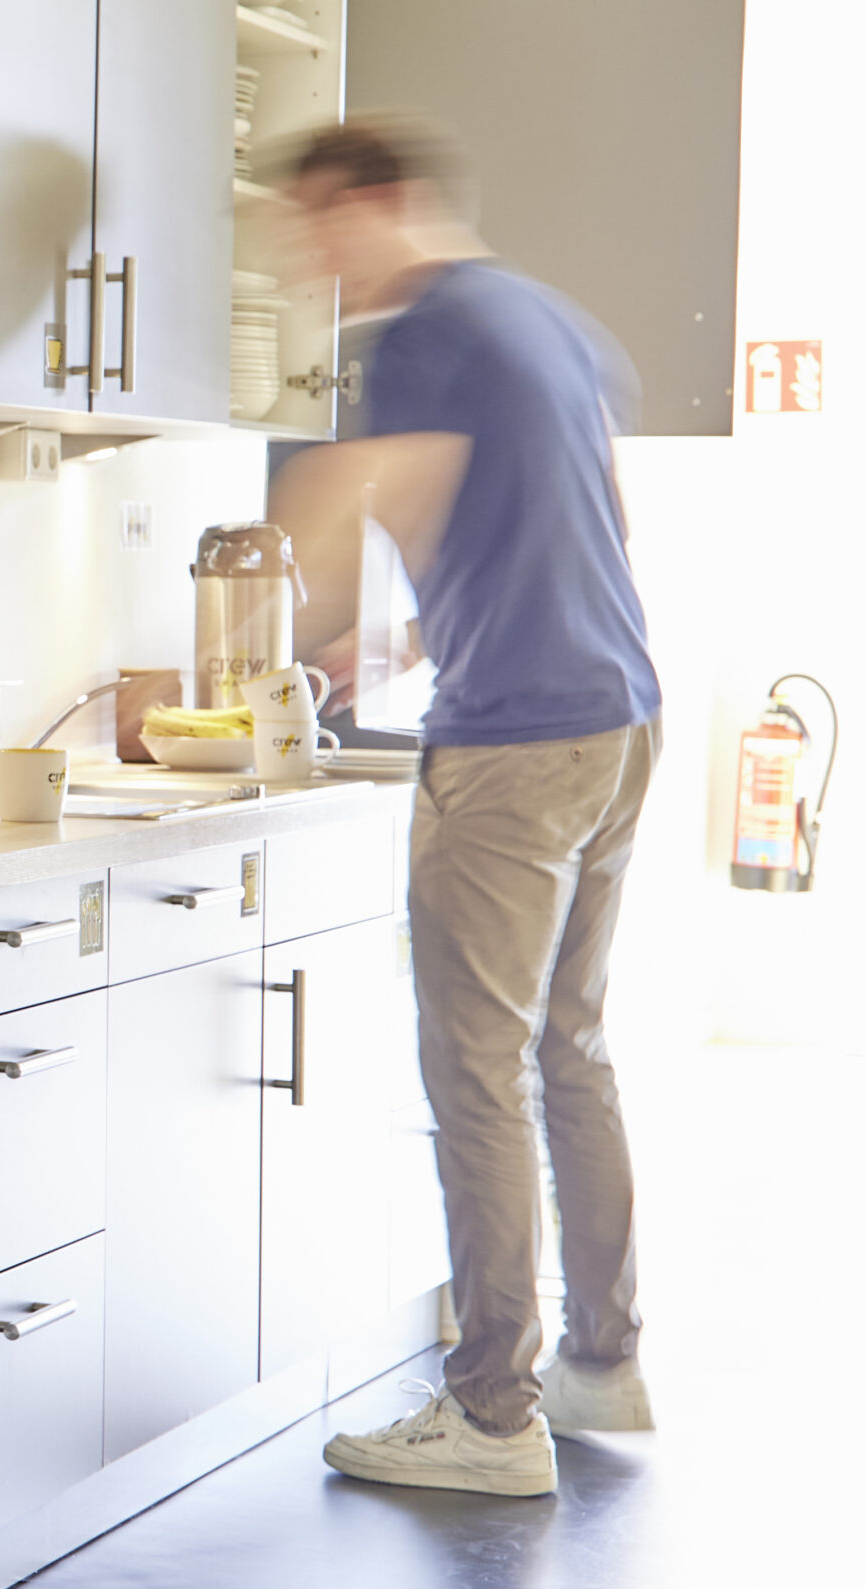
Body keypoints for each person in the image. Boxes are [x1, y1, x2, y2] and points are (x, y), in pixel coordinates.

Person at [266, 116, 663, 1498]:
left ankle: (492, 1416)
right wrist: (400, 649)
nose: (312, 258)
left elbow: (392, 505)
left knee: (475, 1073)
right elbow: (588, 517)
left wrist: (284, 619)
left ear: (382, 204)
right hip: (618, 716)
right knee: (571, 1049)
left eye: (316, 226)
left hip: (514, 747)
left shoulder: (426, 332)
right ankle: (603, 1365)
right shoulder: (548, 319)